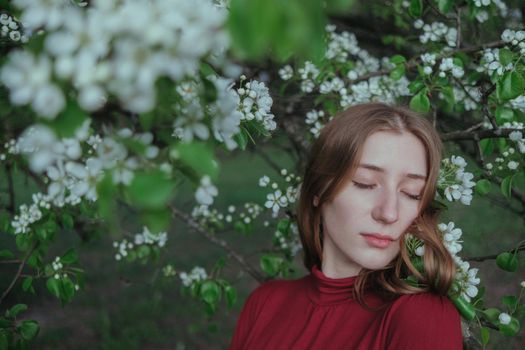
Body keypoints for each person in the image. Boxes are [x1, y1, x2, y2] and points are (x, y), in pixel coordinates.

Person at [229, 103, 463, 349]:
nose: (389, 213)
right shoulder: (265, 303)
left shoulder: (421, 316)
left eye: (412, 193)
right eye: (365, 183)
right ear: (320, 189)